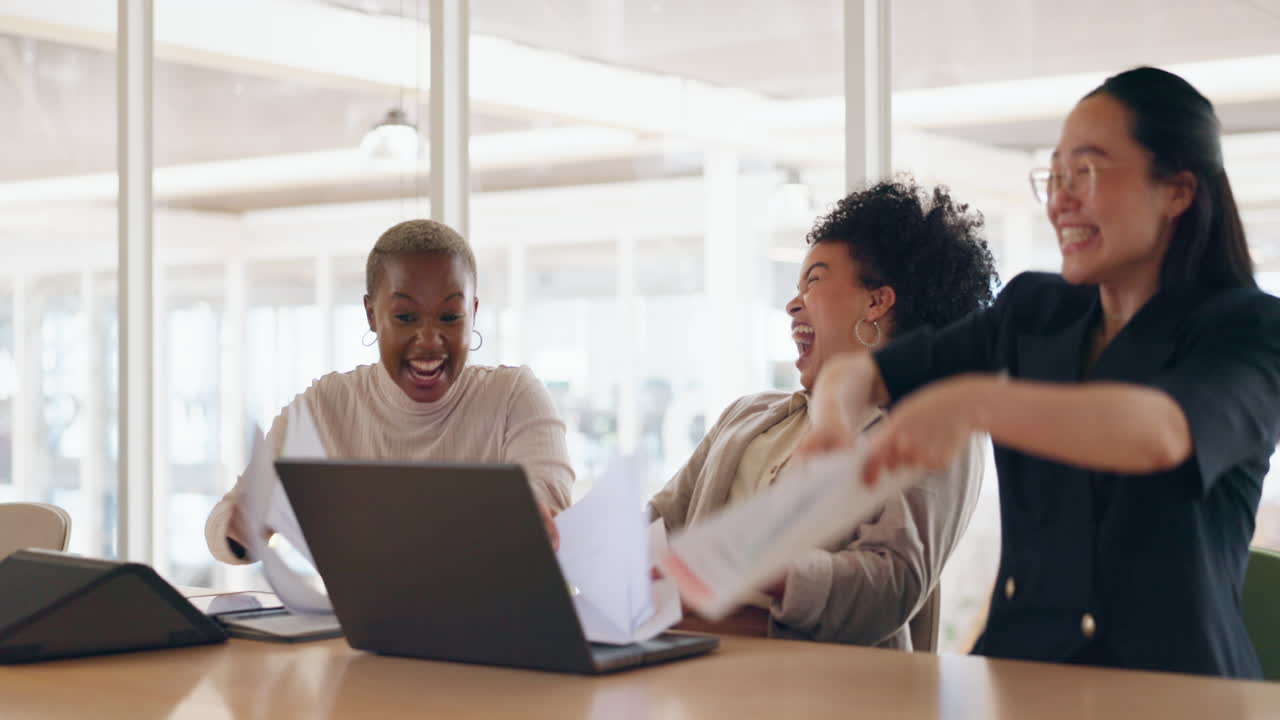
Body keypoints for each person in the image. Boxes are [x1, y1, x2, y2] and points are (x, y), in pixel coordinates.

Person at [802, 67, 1280, 678]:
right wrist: (834, 420)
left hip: (1174, 690)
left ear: (1177, 191)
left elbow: (1158, 431)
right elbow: (862, 373)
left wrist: (974, 402)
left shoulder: (1248, 328)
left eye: (1085, 172)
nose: (1061, 198)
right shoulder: (1034, 311)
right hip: (1018, 672)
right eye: (1053, 175)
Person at [649, 178, 999, 647]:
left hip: (822, 692)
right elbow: (658, 523)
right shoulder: (746, 415)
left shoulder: (928, 424)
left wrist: (766, 566)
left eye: (813, 280)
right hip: (684, 676)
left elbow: (892, 585)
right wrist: (565, 539)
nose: (793, 303)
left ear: (877, 301)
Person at [205, 219, 573, 564]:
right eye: (406, 317)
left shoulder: (513, 396)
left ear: (472, 313)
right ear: (371, 314)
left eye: (449, 317)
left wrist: (534, 517)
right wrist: (243, 529)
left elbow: (551, 499)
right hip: (357, 629)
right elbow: (224, 522)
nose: (429, 340)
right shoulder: (324, 405)